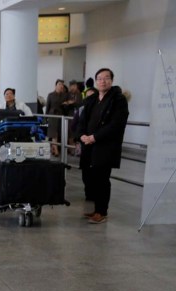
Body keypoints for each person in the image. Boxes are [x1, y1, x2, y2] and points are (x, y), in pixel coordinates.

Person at [77, 68, 129, 224]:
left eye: (106, 78)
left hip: (105, 146)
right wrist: (82, 135)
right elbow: (82, 120)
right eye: (99, 78)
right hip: (89, 145)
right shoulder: (92, 99)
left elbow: (116, 124)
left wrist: (94, 137)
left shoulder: (118, 99)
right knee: (91, 178)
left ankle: (102, 212)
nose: (103, 81)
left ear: (112, 80)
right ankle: (96, 209)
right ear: (96, 81)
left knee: (102, 179)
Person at [46, 79, 69, 155]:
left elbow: (67, 107)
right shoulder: (50, 95)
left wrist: (66, 104)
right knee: (54, 134)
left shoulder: (65, 95)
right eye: (59, 84)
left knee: (59, 133)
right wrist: (45, 118)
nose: (61, 86)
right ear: (56, 85)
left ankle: (53, 147)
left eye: (62, 84)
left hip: (61, 115)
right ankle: (56, 150)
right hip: (52, 115)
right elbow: (47, 107)